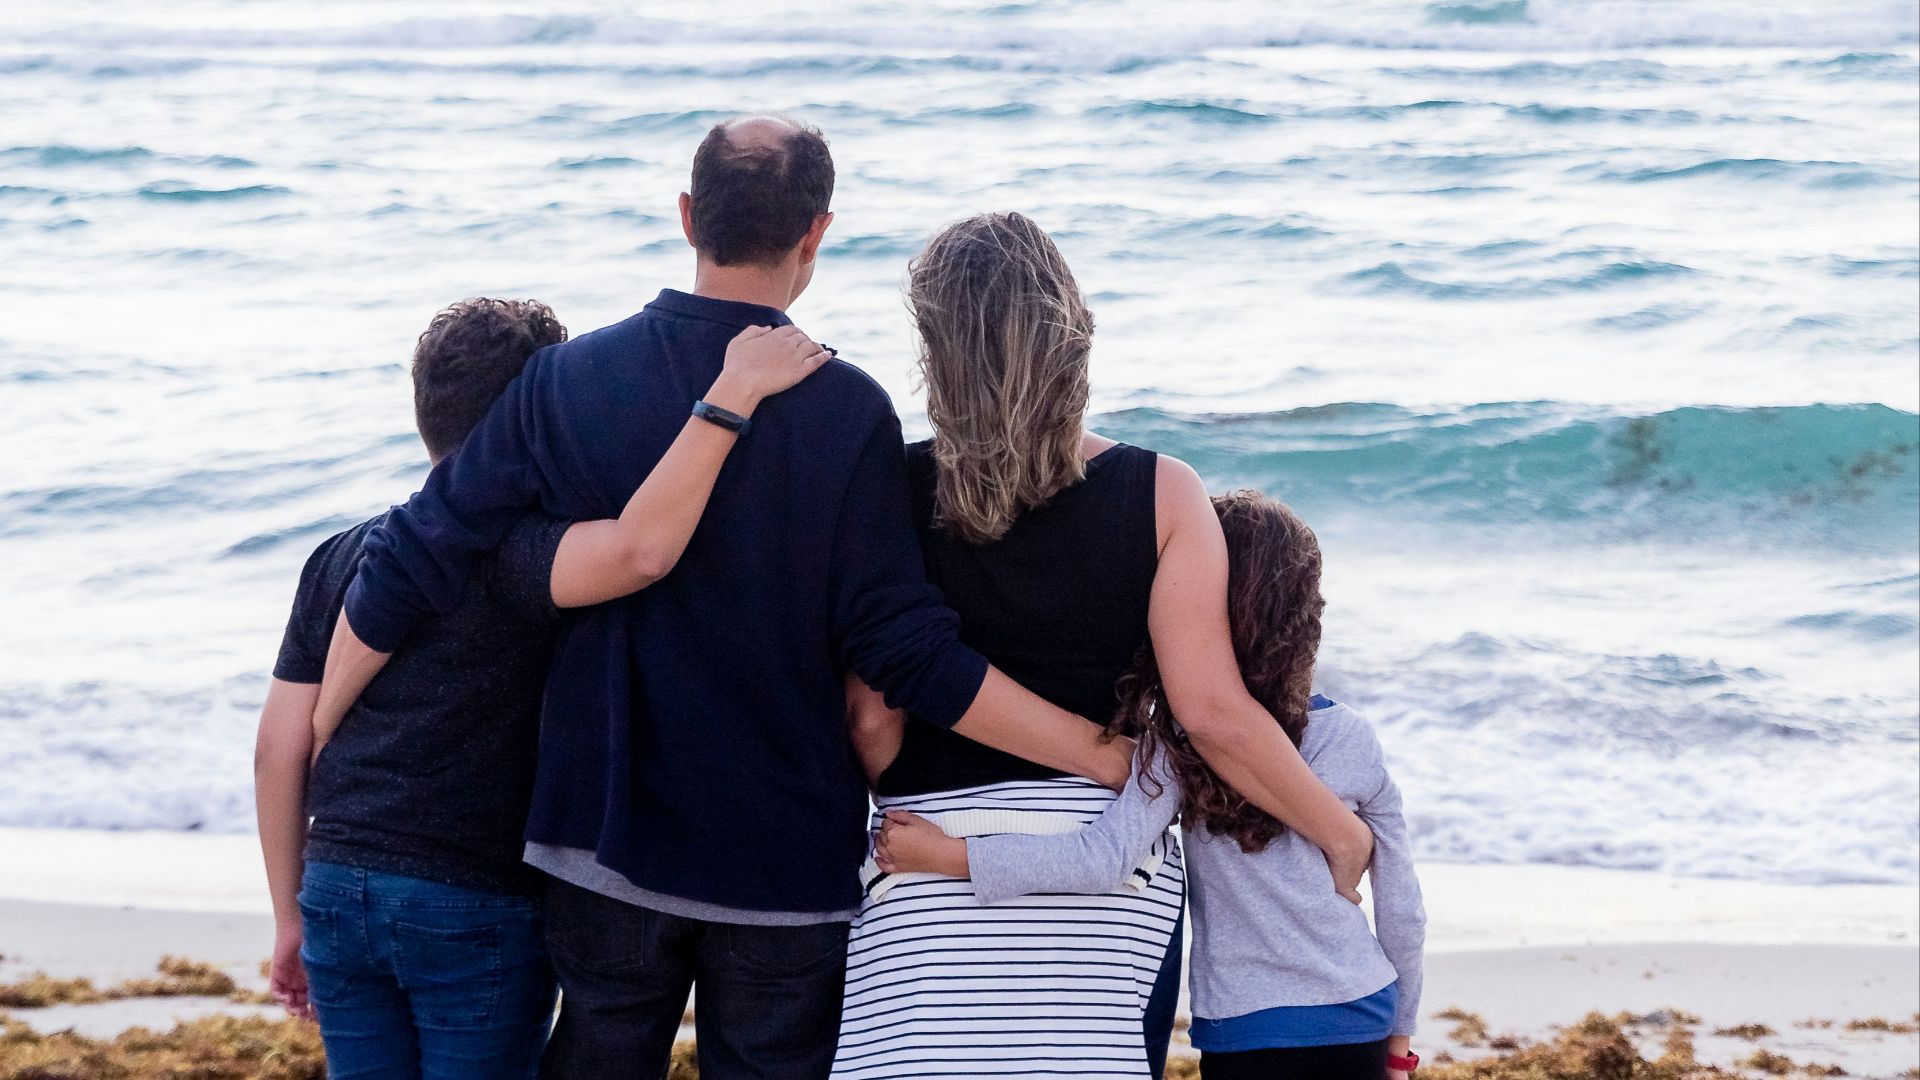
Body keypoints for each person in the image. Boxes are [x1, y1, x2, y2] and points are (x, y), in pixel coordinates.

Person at [302, 117, 1136, 1080]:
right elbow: (903, 649)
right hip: (781, 858)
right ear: (817, 231)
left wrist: (324, 722)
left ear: (689, 215)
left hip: (600, 838)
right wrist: (1098, 754)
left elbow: (416, 552)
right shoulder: (848, 410)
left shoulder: (567, 381)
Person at [832, 213, 1377, 1080]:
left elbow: (870, 718)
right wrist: (1338, 833)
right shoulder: (1162, 491)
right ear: (1071, 334)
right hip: (1107, 867)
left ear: (935, 346)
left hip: (924, 854)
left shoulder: (889, 489)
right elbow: (1213, 715)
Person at [255, 299, 833, 1079]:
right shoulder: (526, 558)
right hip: (472, 897)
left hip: (337, 883)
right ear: (538, 415)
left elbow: (276, 750)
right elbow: (640, 550)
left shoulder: (340, 556)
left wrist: (288, 914)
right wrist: (729, 399)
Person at [876, 492, 1428, 1080]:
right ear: (1302, 612)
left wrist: (946, 855)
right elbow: (1403, 910)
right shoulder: (1350, 737)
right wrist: (1401, 1040)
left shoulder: (1178, 742)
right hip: (1362, 1010)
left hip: (1245, 1028)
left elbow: (1102, 859)